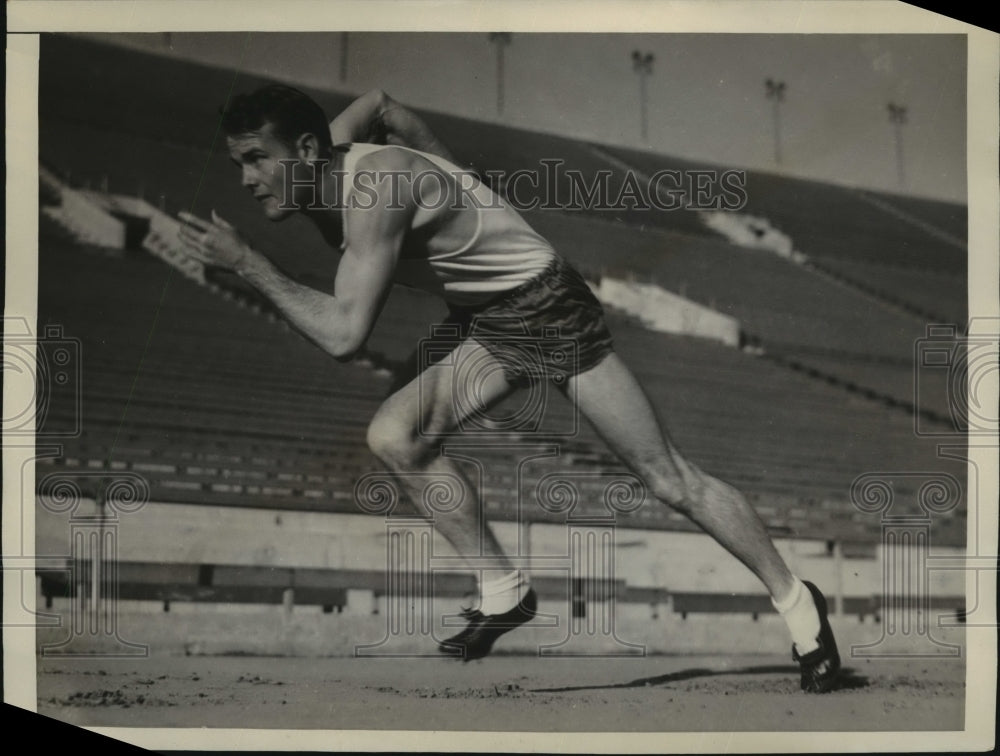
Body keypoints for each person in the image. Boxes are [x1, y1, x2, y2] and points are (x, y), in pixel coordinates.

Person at [178, 84, 840, 692]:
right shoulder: (328, 146)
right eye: (239, 161)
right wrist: (469, 185)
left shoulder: (375, 191)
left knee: (667, 478)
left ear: (306, 150)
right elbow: (382, 104)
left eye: (256, 159)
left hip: (542, 306)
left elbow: (345, 335)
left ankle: (797, 603)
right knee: (395, 436)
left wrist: (249, 265)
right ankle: (502, 590)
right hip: (484, 320)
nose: (247, 179)